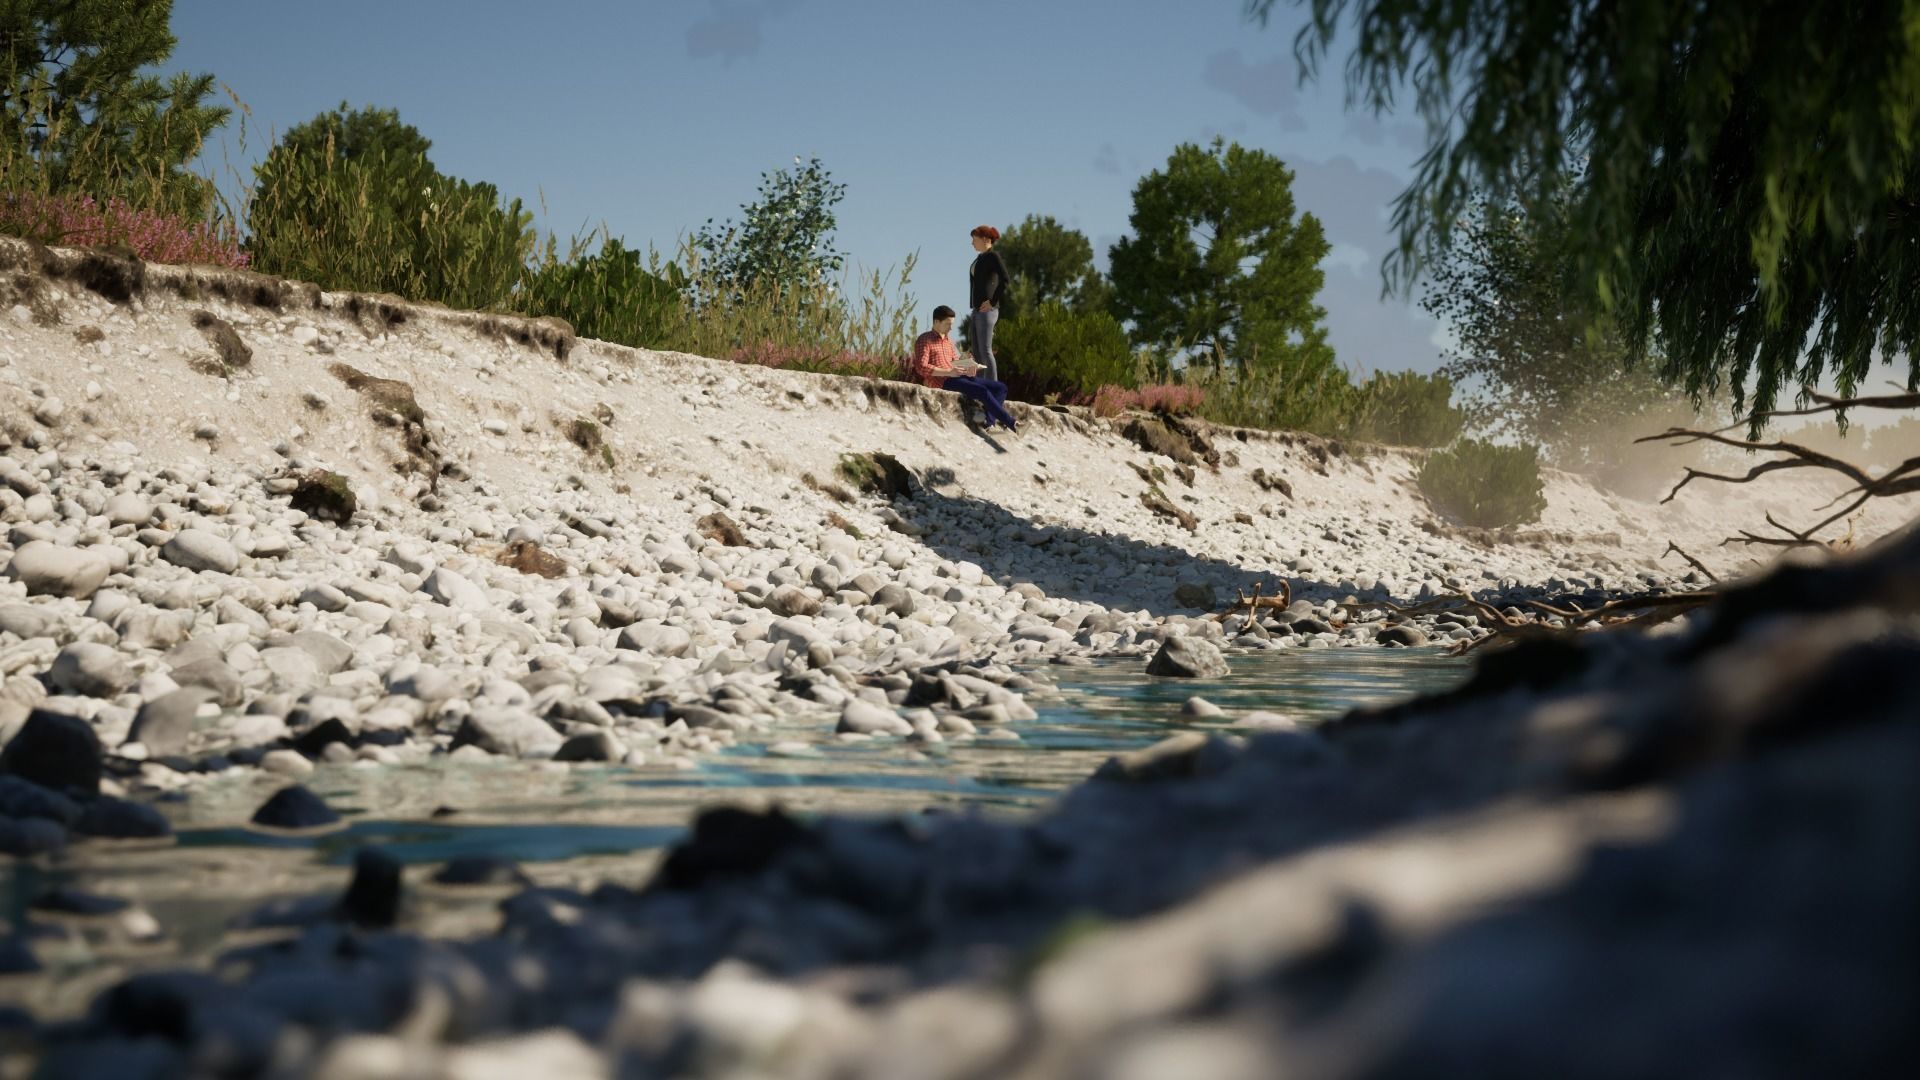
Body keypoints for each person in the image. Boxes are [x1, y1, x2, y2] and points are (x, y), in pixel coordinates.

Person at [912, 304, 1017, 430]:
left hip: (958, 377)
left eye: (952, 324)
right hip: (943, 381)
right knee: (982, 391)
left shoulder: (949, 342)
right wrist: (948, 372)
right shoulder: (924, 339)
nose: (951, 328)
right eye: (947, 324)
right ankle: (1013, 424)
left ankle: (990, 423)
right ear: (936, 322)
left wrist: (969, 366)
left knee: (1001, 388)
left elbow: (955, 362)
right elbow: (921, 367)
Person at [968, 225, 1008, 382]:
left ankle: (992, 385)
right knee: (977, 352)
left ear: (985, 239)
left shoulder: (993, 257)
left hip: (987, 311)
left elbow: (1005, 280)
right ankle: (980, 385)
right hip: (977, 310)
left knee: (985, 350)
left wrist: (992, 302)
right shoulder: (980, 258)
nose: (972, 243)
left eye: (974, 239)